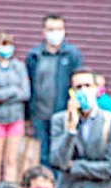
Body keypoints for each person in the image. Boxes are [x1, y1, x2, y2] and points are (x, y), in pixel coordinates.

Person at [50, 69, 111, 188]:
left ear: (96, 89)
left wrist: (74, 167)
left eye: (88, 85)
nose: (83, 90)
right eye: (78, 87)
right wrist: (71, 129)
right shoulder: (60, 120)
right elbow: (59, 161)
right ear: (71, 92)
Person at [26, 14, 83, 168]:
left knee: (62, 154)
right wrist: (28, 115)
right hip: (40, 114)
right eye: (51, 29)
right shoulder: (34, 56)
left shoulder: (72, 55)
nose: (55, 33)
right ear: (43, 32)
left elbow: (78, 83)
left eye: (59, 29)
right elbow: (29, 84)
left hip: (63, 114)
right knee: (43, 156)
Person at [0, 31, 31, 183]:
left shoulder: (19, 66)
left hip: (16, 118)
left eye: (9, 45)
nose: (6, 49)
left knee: (11, 162)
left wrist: (2, 92)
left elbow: (26, 93)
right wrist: (13, 90)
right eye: (3, 44)